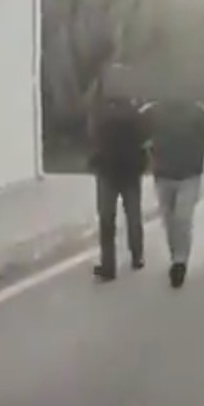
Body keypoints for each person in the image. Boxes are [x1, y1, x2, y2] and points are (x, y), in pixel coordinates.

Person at [144, 100, 204, 288]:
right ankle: (175, 255)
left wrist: (198, 149)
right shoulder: (153, 110)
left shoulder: (199, 111)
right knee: (169, 219)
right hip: (163, 173)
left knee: (183, 217)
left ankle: (180, 261)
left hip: (189, 173)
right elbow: (141, 133)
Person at [89, 90, 149, 282]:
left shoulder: (100, 113)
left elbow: (93, 140)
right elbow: (144, 140)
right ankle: (137, 255)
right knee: (133, 215)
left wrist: (94, 162)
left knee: (107, 219)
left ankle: (108, 265)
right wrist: (142, 164)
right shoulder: (135, 114)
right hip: (130, 171)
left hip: (107, 171)